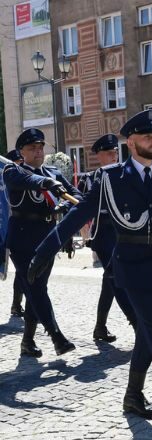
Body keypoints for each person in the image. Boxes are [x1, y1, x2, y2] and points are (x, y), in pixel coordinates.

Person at [28, 110, 152, 427]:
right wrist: (42, 253)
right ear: (131, 143)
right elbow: (77, 216)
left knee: (147, 333)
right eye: (148, 137)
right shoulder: (111, 178)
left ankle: (133, 395)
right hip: (132, 263)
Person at [3, 129, 80, 358]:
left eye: (40, 147)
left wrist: (68, 206)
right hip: (22, 239)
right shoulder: (13, 171)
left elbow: (75, 195)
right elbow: (28, 180)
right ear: (21, 152)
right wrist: (47, 182)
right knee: (36, 289)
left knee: (37, 291)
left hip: (48, 239)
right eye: (32, 149)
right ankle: (57, 337)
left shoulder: (53, 172)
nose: (38, 152)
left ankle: (27, 342)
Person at [80, 134, 137, 343]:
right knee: (116, 276)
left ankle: (99, 328)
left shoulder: (125, 175)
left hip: (122, 232)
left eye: (115, 152)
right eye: (108, 153)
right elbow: (79, 207)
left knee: (110, 282)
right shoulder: (91, 179)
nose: (113, 156)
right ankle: (137, 323)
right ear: (99, 156)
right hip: (103, 233)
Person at [5, 149, 26, 318]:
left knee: (23, 271)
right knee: (22, 271)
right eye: (17, 164)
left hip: (24, 232)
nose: (21, 167)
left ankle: (17, 305)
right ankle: (17, 305)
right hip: (10, 232)